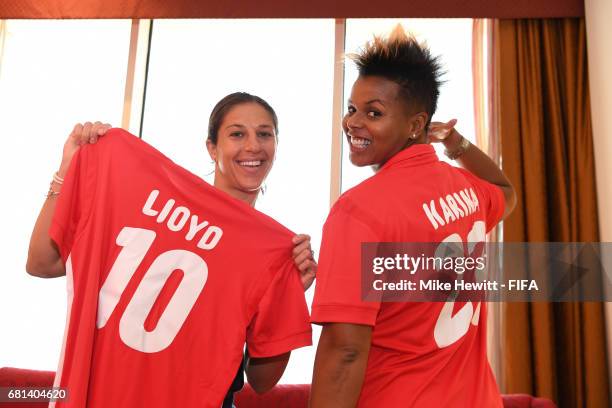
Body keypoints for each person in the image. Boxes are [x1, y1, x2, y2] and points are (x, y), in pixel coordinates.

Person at [26, 92, 316, 407]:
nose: (253, 146)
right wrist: (67, 172)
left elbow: (261, 382)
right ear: (212, 148)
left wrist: (289, 295)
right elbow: (42, 263)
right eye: (237, 133)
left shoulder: (271, 252)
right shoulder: (148, 202)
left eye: (264, 134)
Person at [310, 26, 516, 407]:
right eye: (352, 108)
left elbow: (346, 352)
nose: (354, 123)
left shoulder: (359, 211)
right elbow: (506, 191)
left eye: (374, 113)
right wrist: (457, 144)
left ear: (416, 125)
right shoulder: (466, 191)